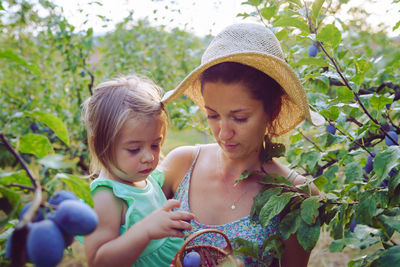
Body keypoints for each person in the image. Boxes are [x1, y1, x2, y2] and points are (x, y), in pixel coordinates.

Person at [160, 23, 324, 266]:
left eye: (239, 118)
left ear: (273, 109)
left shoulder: (297, 196)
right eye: (213, 115)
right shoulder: (180, 166)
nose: (224, 133)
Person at [81, 75, 195, 267]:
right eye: (134, 149)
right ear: (101, 146)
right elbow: (98, 261)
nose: (149, 157)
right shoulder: (107, 196)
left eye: (155, 145)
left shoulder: (146, 179)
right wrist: (145, 231)